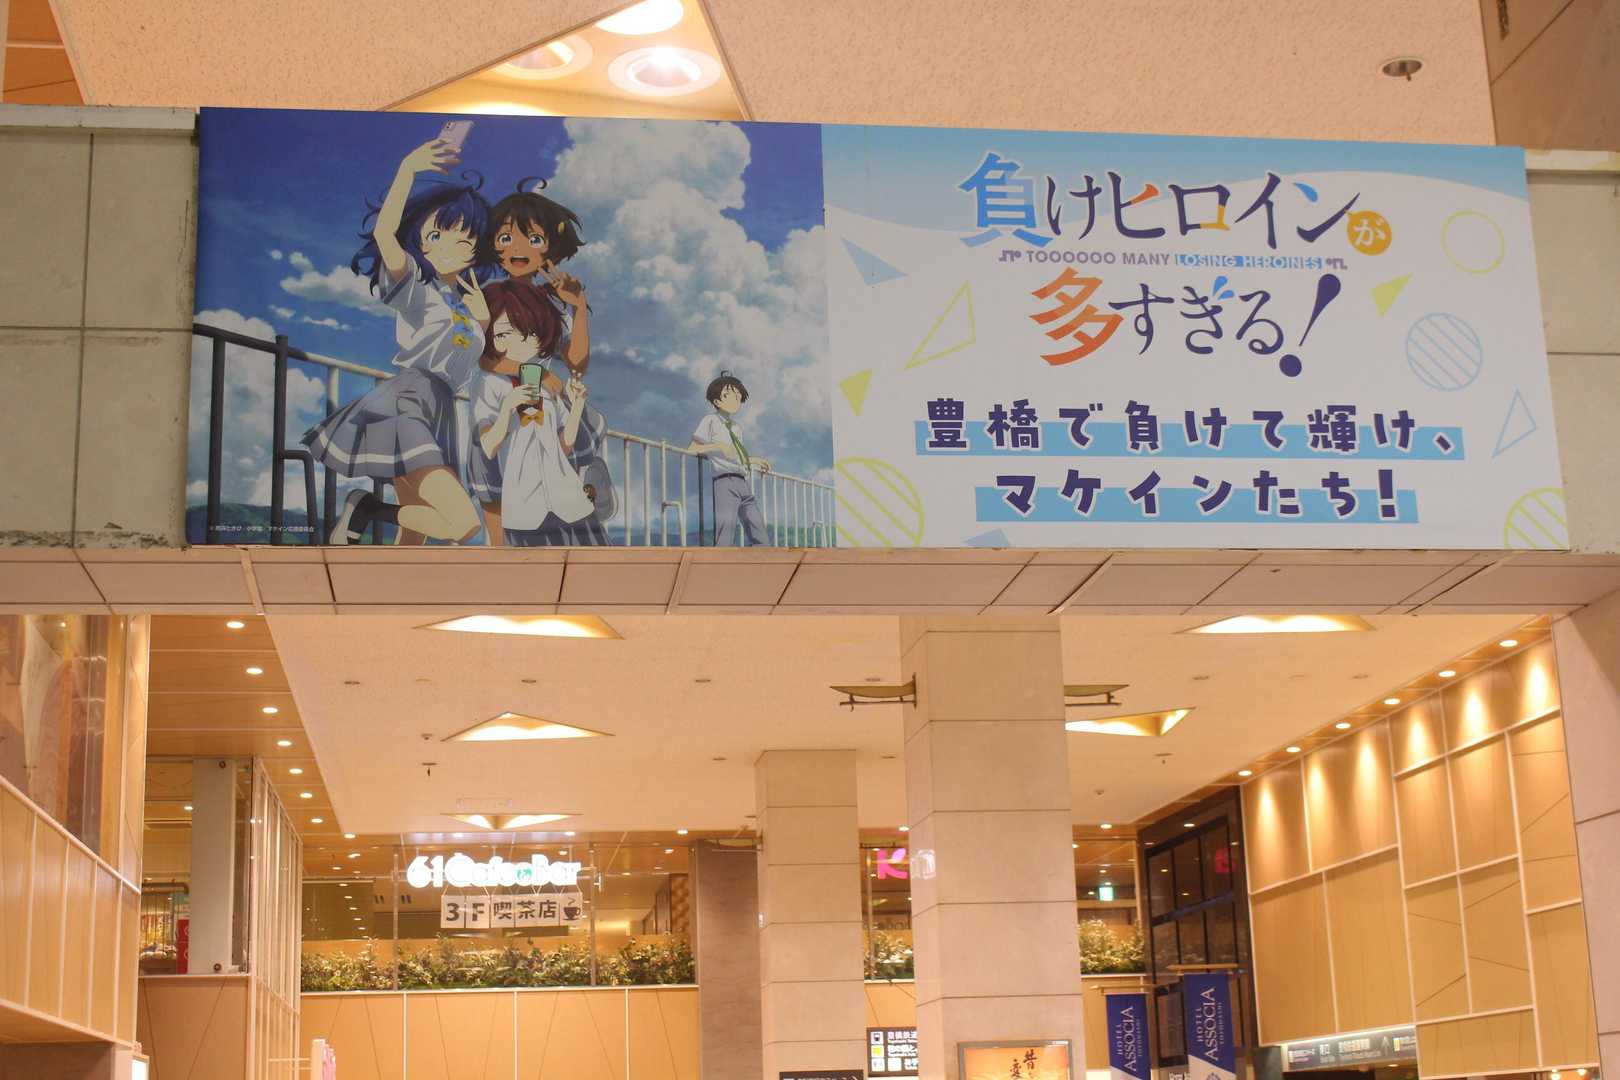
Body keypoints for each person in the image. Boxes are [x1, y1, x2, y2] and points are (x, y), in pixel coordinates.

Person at [301, 137, 493, 545]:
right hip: (408, 401)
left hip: (439, 410)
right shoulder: (417, 286)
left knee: (413, 540)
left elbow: (466, 363)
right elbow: (385, 235)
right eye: (436, 235)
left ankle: (381, 564)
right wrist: (408, 169)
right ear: (420, 239)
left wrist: (483, 320)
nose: (446, 246)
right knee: (463, 524)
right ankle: (368, 509)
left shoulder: (463, 305)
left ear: (475, 253)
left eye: (463, 240)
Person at [470, 280, 606, 546]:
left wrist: (577, 405)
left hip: (567, 498)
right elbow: (487, 446)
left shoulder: (546, 385)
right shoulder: (488, 382)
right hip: (526, 505)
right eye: (502, 334)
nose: (517, 342)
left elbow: (564, 445)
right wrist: (507, 409)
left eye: (528, 333)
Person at [687, 371, 771, 546]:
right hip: (724, 481)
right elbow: (692, 449)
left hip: (742, 480)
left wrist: (753, 460)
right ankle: (721, 562)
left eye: (738, 396)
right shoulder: (710, 420)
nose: (735, 399)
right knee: (725, 531)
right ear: (717, 401)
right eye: (729, 395)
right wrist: (718, 446)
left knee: (758, 529)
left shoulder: (736, 428)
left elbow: (736, 456)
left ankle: (763, 560)